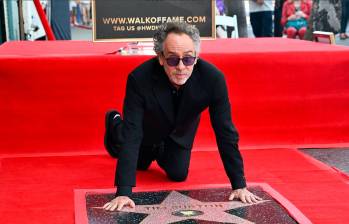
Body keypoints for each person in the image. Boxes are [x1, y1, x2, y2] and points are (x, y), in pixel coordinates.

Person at [103, 22, 262, 211]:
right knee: (131, 153)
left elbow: (225, 131)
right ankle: (114, 122)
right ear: (161, 58)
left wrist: (239, 184)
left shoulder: (213, 79)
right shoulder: (139, 78)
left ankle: (158, 151)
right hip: (145, 131)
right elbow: (133, 133)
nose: (181, 67)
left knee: (178, 174)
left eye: (187, 59)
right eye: (172, 60)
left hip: (178, 134)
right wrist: (123, 192)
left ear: (196, 58)